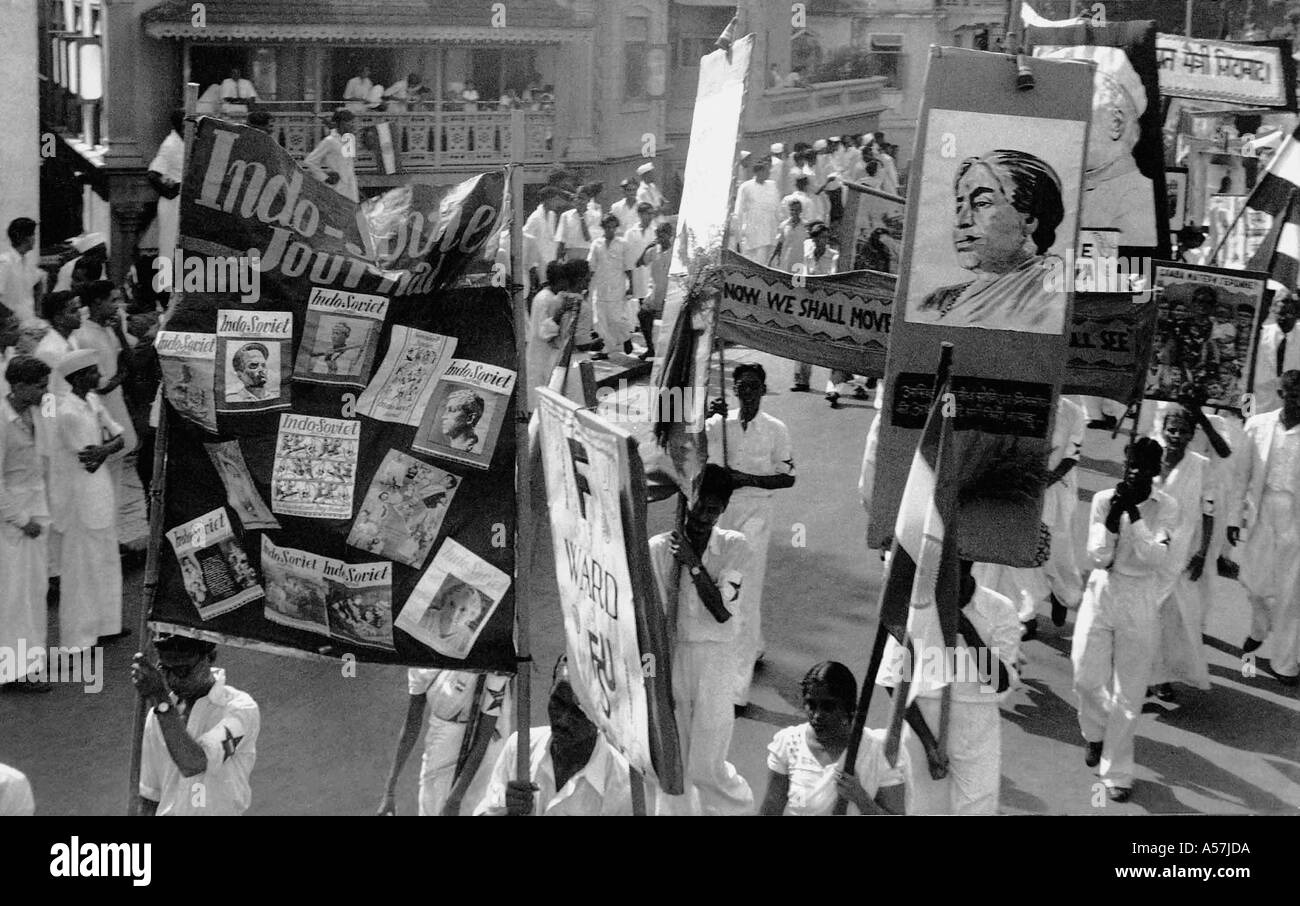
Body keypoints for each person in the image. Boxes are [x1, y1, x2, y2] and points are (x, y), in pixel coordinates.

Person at [1072, 437, 1178, 801]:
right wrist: (1114, 522)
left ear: (1155, 471)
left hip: (1140, 597)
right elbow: (1097, 556)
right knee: (1085, 675)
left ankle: (1116, 773)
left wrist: (1132, 517)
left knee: (1129, 692)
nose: (1135, 471)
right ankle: (1095, 733)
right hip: (1103, 591)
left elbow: (1155, 558)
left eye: (1144, 466)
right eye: (1131, 463)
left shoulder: (1166, 507)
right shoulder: (1104, 500)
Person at [648, 464, 754, 815]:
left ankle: (729, 809)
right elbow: (654, 611)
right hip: (674, 653)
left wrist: (693, 563)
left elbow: (722, 611)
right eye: (698, 507)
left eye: (712, 510)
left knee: (708, 752)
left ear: (723, 509)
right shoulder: (660, 548)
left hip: (716, 658)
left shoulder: (735, 547)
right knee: (674, 747)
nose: (702, 517)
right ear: (686, 500)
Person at [879, 560, 1021, 815]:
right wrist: (929, 743)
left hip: (977, 726)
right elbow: (894, 682)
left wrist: (967, 630)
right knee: (925, 808)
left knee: (977, 807)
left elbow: (998, 683)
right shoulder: (916, 609)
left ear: (968, 571)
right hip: (922, 719)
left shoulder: (1000, 609)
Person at [705, 363, 795, 706]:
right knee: (720, 576)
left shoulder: (775, 429)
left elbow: (787, 477)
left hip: (756, 511)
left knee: (742, 590)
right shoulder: (719, 425)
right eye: (741, 387)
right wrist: (705, 414)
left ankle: (737, 688)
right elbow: (689, 442)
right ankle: (754, 645)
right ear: (734, 389)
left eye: (753, 386)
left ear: (763, 388)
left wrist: (749, 479)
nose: (747, 393)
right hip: (723, 510)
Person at [912, 149, 1067, 334]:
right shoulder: (938, 300)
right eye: (959, 206)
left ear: (1029, 219)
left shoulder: (1052, 289)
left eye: (981, 203)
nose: (962, 220)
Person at [975, 395, 1086, 638]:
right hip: (1019, 488)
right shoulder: (1022, 403)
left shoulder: (1073, 413)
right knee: (1021, 550)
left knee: (1056, 553)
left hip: (1055, 490)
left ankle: (1061, 594)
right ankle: (1026, 614)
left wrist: (1043, 482)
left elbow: (1071, 456)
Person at [474, 657, 633, 816]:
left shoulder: (623, 784)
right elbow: (488, 806)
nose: (563, 719)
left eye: (578, 712)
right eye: (558, 702)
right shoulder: (517, 747)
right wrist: (504, 807)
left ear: (602, 716)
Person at [1037, 46, 1157, 247]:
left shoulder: (1139, 197)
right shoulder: (1057, 187)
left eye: (1077, 113)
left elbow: (1129, 268)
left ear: (1116, 124)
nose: (1064, 125)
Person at [48, 349, 126, 650]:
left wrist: (106, 449)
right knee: (82, 566)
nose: (99, 375)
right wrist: (107, 449)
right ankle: (80, 637)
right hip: (80, 495)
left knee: (106, 557)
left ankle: (107, 624)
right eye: (93, 371)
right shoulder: (66, 411)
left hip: (100, 489)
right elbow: (89, 457)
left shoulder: (92, 401)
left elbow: (117, 437)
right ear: (80, 377)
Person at [131, 634, 260, 815]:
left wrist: (161, 699)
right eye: (165, 669)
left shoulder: (241, 710)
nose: (173, 680)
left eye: (182, 670)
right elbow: (150, 796)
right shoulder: (157, 716)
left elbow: (195, 764)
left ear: (210, 658)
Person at [758, 661, 909, 815]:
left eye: (828, 706)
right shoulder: (788, 744)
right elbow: (770, 812)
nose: (817, 716)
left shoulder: (877, 752)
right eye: (811, 704)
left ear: (848, 708)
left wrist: (861, 799)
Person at [1232, 370, 1300, 686]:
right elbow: (1240, 475)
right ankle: (1260, 628)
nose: (1296, 401)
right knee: (1254, 584)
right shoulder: (1258, 425)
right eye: (1291, 394)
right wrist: (1234, 519)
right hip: (1262, 513)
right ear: (1281, 394)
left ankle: (1285, 663)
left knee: (1291, 595)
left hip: (1296, 521)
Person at [1147, 407, 1215, 698]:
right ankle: (1140, 677)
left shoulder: (1200, 465)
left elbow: (1209, 510)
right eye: (1171, 430)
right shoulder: (1150, 458)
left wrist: (1201, 554)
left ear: (1191, 435)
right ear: (1163, 430)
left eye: (1182, 431)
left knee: (1173, 620)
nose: (1175, 436)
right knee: (1144, 616)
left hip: (1183, 553)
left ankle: (1162, 678)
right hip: (1146, 549)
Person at [378, 669, 511, 816]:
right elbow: (412, 723)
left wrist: (454, 800)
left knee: (486, 806)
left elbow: (484, 737)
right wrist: (390, 790)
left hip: (486, 749)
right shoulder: (421, 662)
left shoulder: (492, 661)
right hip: (439, 744)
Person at [0, 356, 53, 692]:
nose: (45, 391)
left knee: (34, 594)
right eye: (39, 385)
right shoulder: (3, 422)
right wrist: (21, 520)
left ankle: (29, 664)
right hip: (15, 523)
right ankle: (17, 671)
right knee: (16, 597)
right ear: (18, 387)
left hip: (37, 515)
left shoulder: (34, 413)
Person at [74, 280, 137, 503]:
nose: (117, 306)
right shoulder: (84, 335)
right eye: (113, 300)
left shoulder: (109, 329)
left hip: (115, 407)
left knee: (116, 479)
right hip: (101, 411)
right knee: (102, 483)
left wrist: (119, 333)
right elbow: (102, 385)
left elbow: (131, 361)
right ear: (97, 302)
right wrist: (121, 375)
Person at [525, 261, 580, 409]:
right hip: (541, 355)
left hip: (542, 354)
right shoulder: (546, 299)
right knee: (540, 398)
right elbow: (544, 332)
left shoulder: (547, 296)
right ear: (560, 280)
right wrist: (560, 312)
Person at [148, 111, 186, 290]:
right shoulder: (170, 145)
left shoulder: (186, 141)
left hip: (183, 201)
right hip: (172, 203)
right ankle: (166, 287)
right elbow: (153, 174)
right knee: (169, 243)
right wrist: (169, 192)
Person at [588, 213, 633, 357]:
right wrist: (586, 286)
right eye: (608, 227)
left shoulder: (623, 244)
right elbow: (591, 266)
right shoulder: (596, 244)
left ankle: (626, 337)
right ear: (603, 228)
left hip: (616, 287)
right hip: (600, 287)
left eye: (613, 227)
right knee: (599, 320)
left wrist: (631, 286)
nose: (611, 230)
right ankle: (605, 350)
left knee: (616, 319)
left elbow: (628, 267)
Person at [1255, 295, 1299, 415]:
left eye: (1288, 314)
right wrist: (1245, 412)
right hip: (1258, 402)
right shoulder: (1261, 335)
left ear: (1297, 315)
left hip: (1289, 407)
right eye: (1279, 313)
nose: (1283, 318)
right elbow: (1247, 379)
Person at [33, 291, 83, 396]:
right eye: (73, 311)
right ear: (58, 318)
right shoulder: (48, 351)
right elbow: (47, 394)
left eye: (79, 309)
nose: (79, 314)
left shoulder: (72, 339)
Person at [733, 158, 782, 265]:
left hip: (771, 230)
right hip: (754, 232)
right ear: (758, 172)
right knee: (756, 262)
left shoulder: (772, 185)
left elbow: (777, 207)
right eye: (765, 171)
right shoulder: (746, 187)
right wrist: (738, 234)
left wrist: (780, 225)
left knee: (770, 262)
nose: (768, 173)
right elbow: (739, 210)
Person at [304, 109, 359, 203]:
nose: (353, 125)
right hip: (336, 187)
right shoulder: (329, 141)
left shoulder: (349, 140)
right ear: (342, 123)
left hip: (351, 187)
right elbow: (310, 161)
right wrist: (324, 177)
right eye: (350, 122)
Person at [523, 186, 569, 292]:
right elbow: (526, 240)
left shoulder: (552, 215)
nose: (557, 203)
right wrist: (533, 264)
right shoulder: (534, 218)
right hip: (537, 264)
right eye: (555, 199)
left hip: (550, 261)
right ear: (547, 200)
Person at [0, 217, 43, 325]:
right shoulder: (5, 262)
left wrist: (37, 309)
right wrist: (11, 317)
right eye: (32, 234)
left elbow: (39, 281)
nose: (34, 238)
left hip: (30, 322)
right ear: (24, 238)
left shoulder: (27, 262)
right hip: (11, 327)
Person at [553, 184, 599, 263]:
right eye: (577, 198)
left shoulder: (595, 216)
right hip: (570, 254)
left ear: (588, 200)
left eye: (582, 198)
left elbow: (588, 238)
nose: (579, 201)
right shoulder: (566, 215)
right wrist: (558, 258)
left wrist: (581, 216)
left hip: (588, 253)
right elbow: (561, 239)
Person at [771, 195, 809, 272]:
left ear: (801, 210)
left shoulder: (807, 226)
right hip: (786, 260)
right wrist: (773, 258)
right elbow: (780, 243)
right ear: (789, 210)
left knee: (798, 283)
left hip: (800, 262)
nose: (794, 212)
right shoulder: (784, 225)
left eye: (797, 210)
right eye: (792, 210)